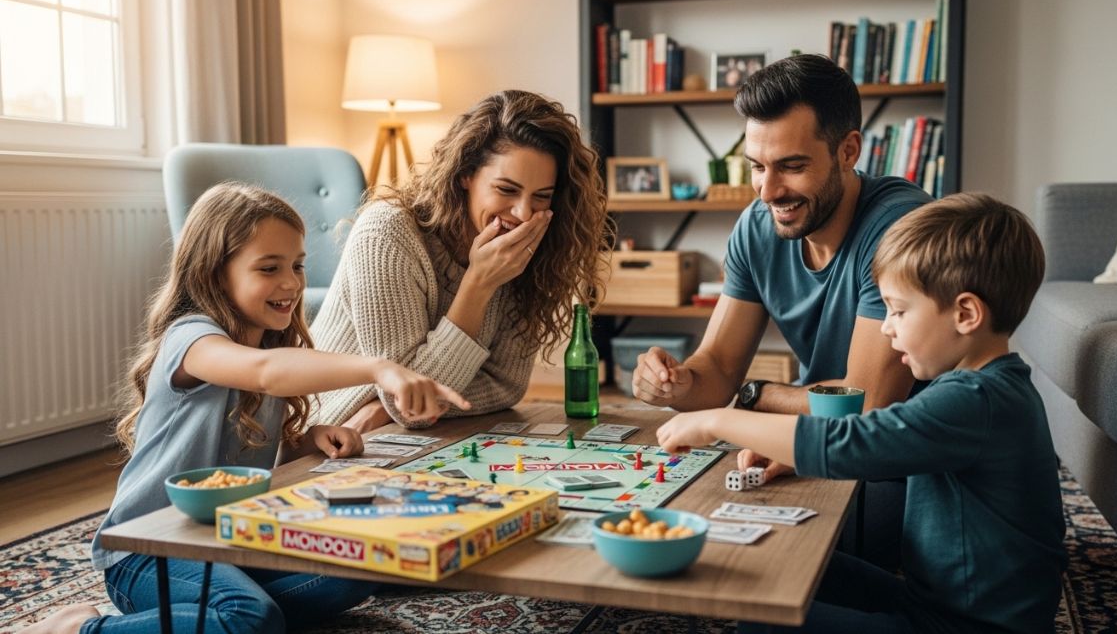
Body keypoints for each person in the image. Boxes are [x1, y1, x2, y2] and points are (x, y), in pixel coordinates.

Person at [23, 182, 468, 634]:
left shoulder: (270, 343)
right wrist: (379, 367)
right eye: (269, 268)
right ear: (215, 274)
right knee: (249, 617)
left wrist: (303, 440)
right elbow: (264, 371)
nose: (291, 283)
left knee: (364, 568)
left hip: (230, 538)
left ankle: (205, 619)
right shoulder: (191, 340)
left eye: (296, 265)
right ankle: (77, 629)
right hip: (148, 551)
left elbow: (241, 448)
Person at [657, 193, 1067, 633]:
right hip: (932, 601)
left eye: (899, 310)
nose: (886, 326)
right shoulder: (981, 386)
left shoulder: (976, 399)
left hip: (969, 626)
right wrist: (793, 453)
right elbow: (887, 443)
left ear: (965, 313)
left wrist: (716, 418)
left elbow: (854, 442)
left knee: (767, 623)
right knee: (791, 568)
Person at [631, 53, 930, 565]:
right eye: (757, 167)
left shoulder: (898, 229)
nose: (769, 192)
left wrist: (755, 398)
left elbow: (865, 408)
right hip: (818, 437)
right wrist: (675, 383)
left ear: (848, 151)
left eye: (791, 166)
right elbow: (719, 369)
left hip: (904, 465)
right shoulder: (757, 225)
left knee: (783, 569)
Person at [308, 89, 610, 433]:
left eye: (541, 196)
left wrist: (382, 406)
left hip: (402, 430)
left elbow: (506, 385)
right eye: (507, 190)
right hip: (331, 432)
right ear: (465, 174)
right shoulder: (387, 233)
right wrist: (480, 284)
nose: (524, 214)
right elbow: (410, 407)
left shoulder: (526, 248)